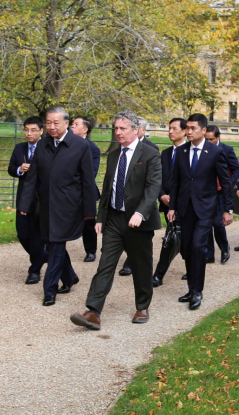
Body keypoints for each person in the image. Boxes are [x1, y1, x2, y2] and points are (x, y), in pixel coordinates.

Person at [70, 111, 163, 330]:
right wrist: (100, 216)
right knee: (105, 264)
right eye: (116, 128)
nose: (118, 132)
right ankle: (93, 311)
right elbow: (108, 188)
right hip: (114, 219)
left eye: (123, 128)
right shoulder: (113, 155)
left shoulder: (149, 154)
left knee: (141, 266)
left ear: (135, 129)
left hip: (138, 221)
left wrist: (140, 213)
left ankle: (142, 306)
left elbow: (153, 187)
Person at [18, 106, 97, 307]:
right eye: (48, 123)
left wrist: (89, 211)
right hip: (45, 206)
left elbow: (87, 181)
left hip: (68, 207)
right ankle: (69, 276)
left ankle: (49, 290)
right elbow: (32, 177)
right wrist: (25, 204)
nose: (52, 127)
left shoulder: (80, 146)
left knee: (56, 246)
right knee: (52, 244)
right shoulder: (43, 144)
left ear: (66, 124)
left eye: (56, 123)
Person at [167, 113, 233, 310]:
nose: (188, 131)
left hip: (206, 210)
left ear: (203, 130)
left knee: (198, 247)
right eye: (187, 127)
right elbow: (176, 182)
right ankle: (191, 288)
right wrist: (172, 207)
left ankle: (197, 291)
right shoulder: (181, 151)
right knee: (187, 249)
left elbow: (226, 182)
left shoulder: (214, 152)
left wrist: (227, 209)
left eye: (193, 128)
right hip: (185, 209)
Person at [7, 116, 47, 284]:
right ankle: (42, 256)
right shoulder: (19, 148)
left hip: (42, 198)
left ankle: (34, 270)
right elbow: (10, 169)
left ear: (41, 131)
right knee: (22, 233)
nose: (29, 133)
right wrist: (19, 169)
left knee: (37, 235)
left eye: (33, 130)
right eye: (26, 130)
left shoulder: (47, 148)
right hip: (24, 197)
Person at [119, 116, 159, 276]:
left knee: (141, 246)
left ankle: (133, 265)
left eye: (123, 128)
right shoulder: (121, 148)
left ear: (139, 130)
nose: (119, 132)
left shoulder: (151, 149)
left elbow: (154, 181)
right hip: (123, 205)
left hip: (141, 206)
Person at [152, 117, 187, 287]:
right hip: (167, 203)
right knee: (174, 237)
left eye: (174, 128)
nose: (170, 132)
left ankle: (159, 274)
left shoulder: (190, 152)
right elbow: (157, 178)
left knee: (176, 238)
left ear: (185, 131)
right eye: (169, 128)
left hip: (185, 205)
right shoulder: (165, 153)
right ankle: (161, 274)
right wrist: (161, 195)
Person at [204, 125, 239, 263]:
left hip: (221, 192)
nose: (208, 142)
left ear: (218, 137)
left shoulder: (226, 150)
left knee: (218, 223)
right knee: (206, 223)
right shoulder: (203, 149)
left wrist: (228, 184)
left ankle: (224, 248)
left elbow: (237, 169)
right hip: (207, 191)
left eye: (211, 139)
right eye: (206, 139)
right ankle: (209, 254)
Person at [71, 117, 101, 262]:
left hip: (84, 192)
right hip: (65, 191)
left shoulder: (93, 149)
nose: (72, 126)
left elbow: (91, 173)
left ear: (85, 129)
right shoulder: (65, 144)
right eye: (72, 124)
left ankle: (91, 251)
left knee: (89, 223)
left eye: (76, 124)